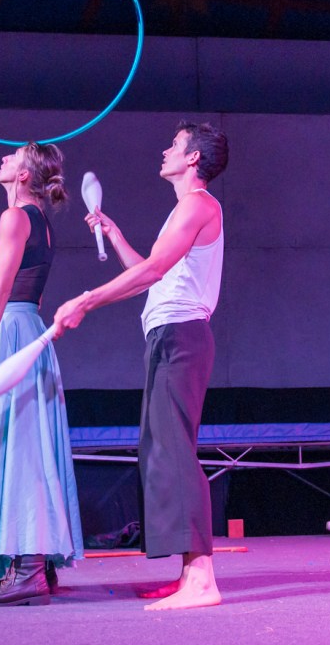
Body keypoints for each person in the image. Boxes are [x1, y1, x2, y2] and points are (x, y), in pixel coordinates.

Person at [54, 120, 228, 611]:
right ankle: (188, 573)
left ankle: (203, 579)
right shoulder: (184, 209)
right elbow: (152, 273)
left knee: (175, 451)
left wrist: (86, 300)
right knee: (160, 451)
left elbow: (153, 271)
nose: (165, 150)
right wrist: (115, 235)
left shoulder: (198, 204)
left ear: (193, 157)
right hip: (168, 337)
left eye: (174, 145)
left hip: (182, 338)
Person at [0, 142, 84, 606]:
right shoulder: (40, 222)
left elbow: (1, 290)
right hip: (27, 328)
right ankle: (36, 564)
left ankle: (28, 568)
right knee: (28, 445)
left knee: (21, 449)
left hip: (12, 330)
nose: (3, 160)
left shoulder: (15, 218)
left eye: (12, 158)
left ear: (25, 175)